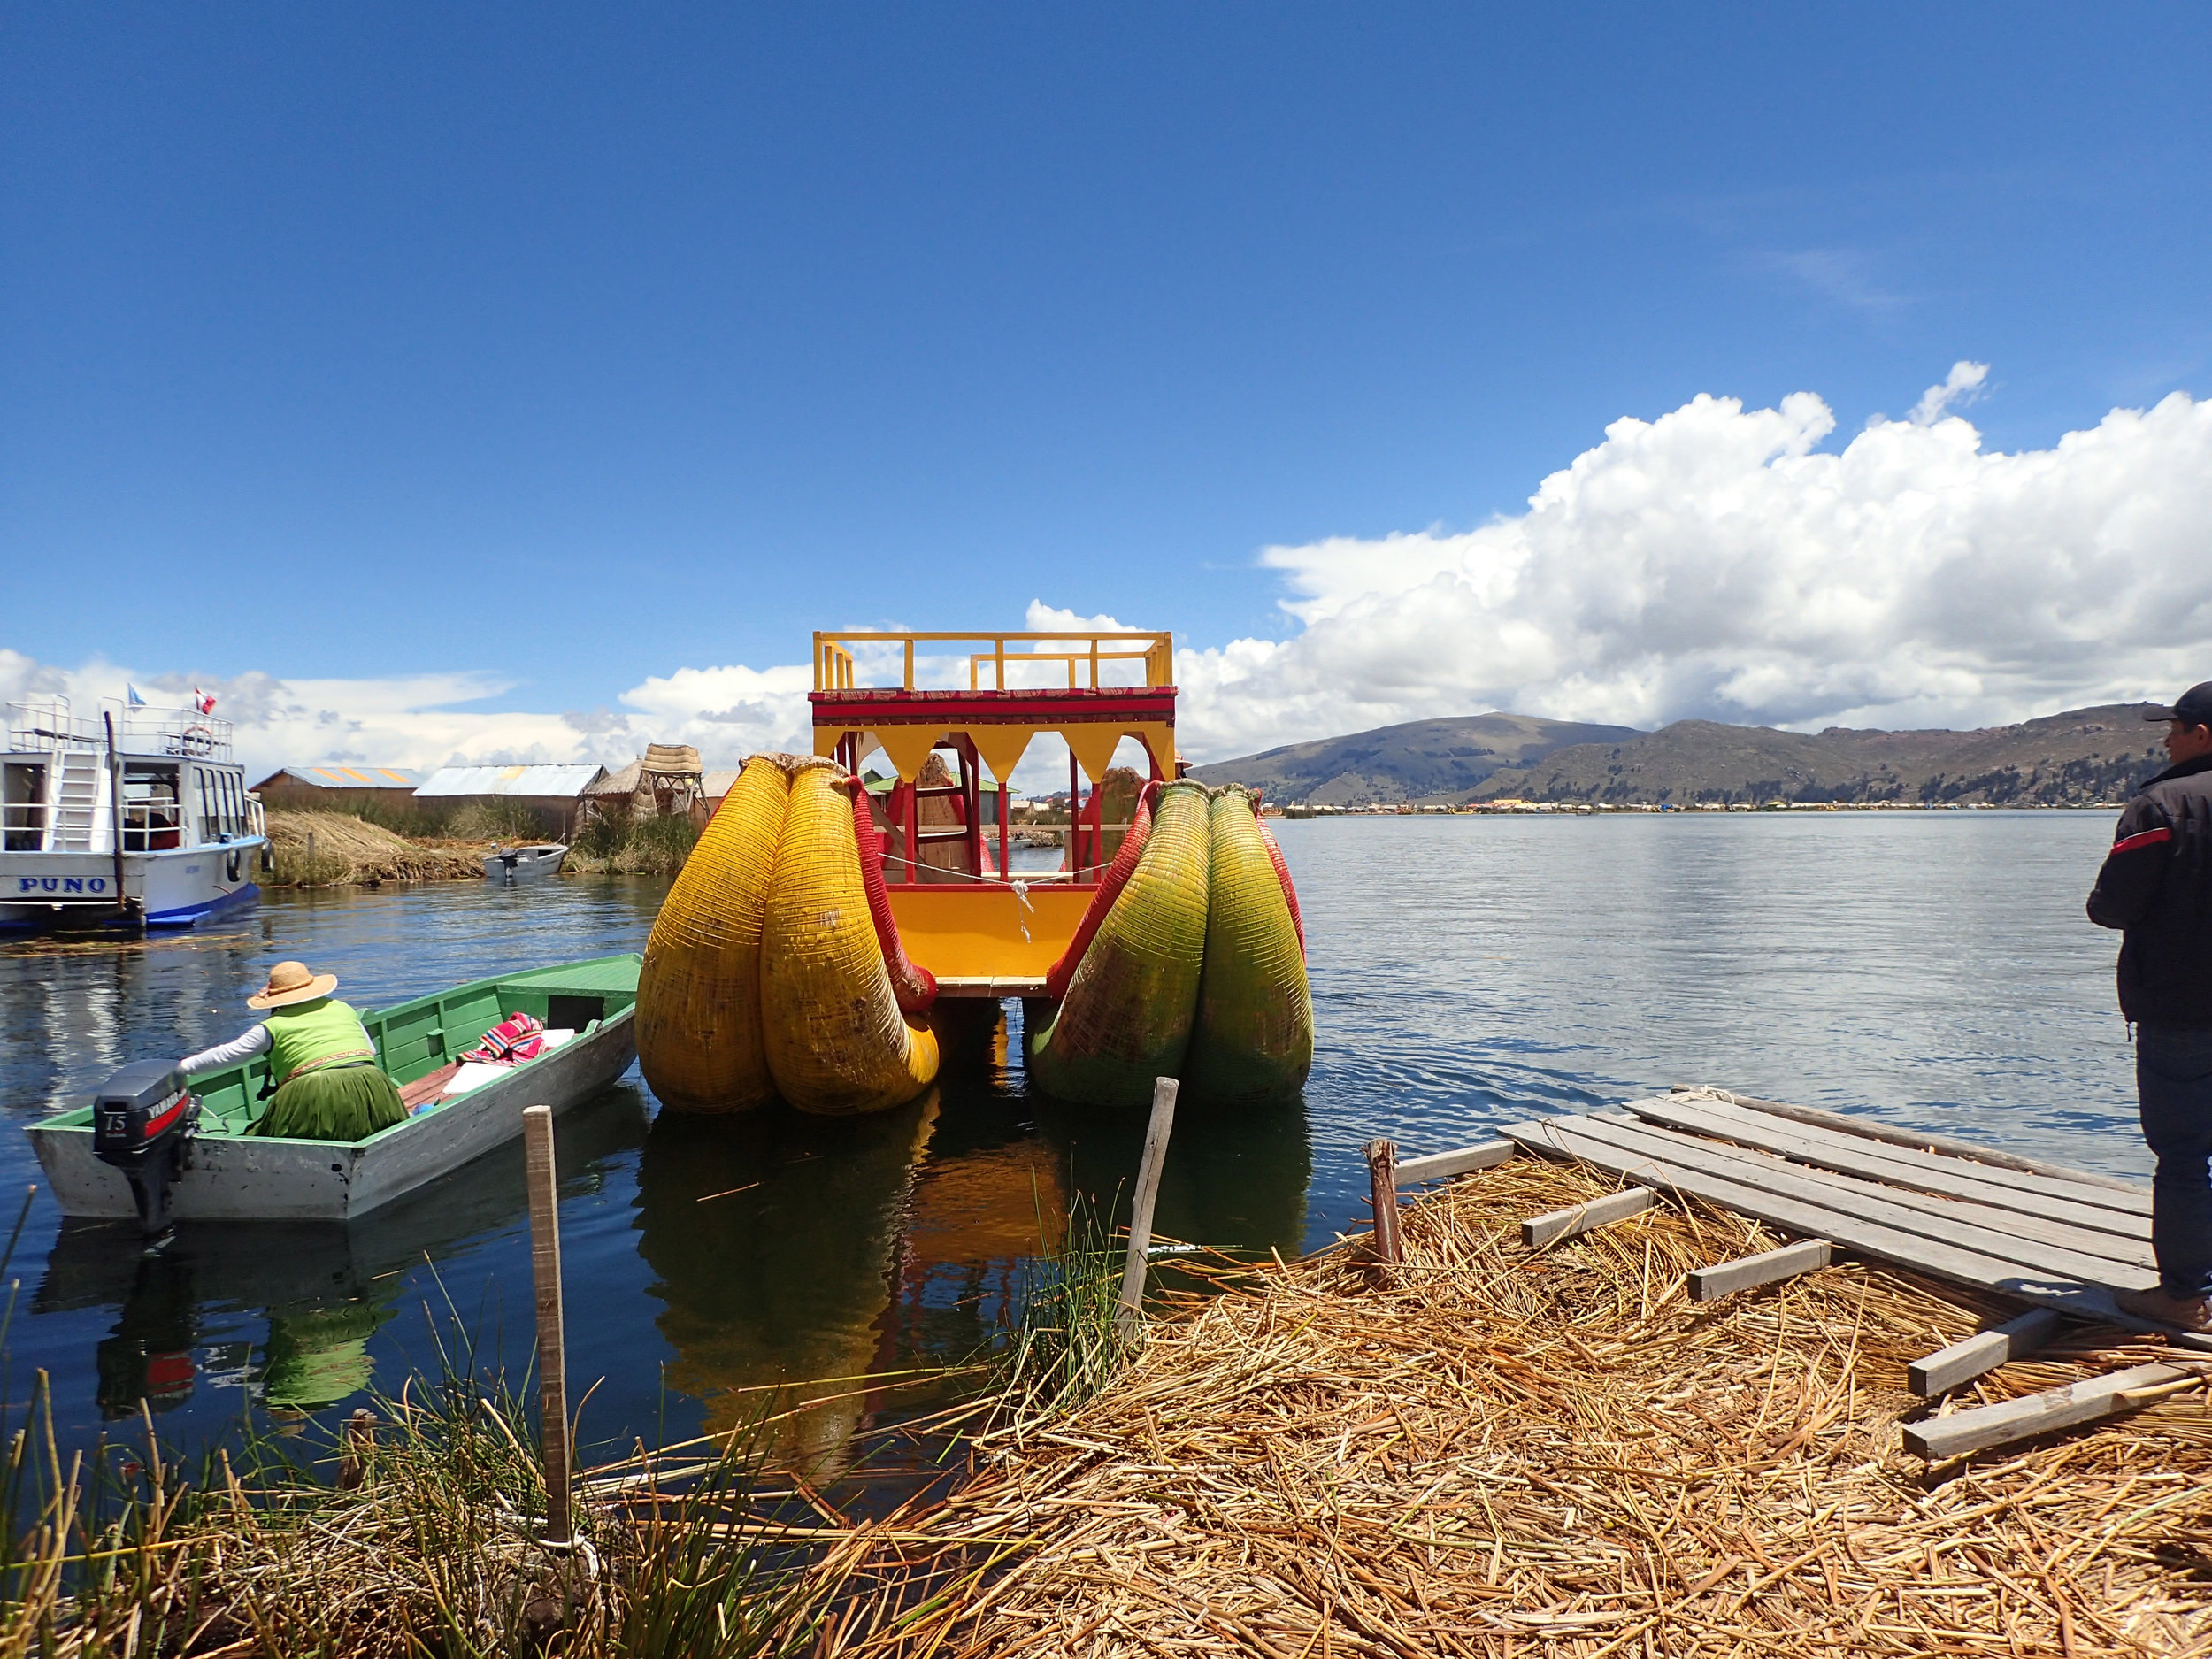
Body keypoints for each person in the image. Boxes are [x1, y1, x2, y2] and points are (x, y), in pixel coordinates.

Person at [2086, 682, 2212, 1331]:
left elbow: (2110, 907)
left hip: (2183, 1010)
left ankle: (2186, 1295)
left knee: (2186, 1152)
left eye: (2177, 726)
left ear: (2203, 736)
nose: (2167, 738)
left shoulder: (2161, 804)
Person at [178, 960, 405, 1141]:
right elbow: (370, 1052)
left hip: (312, 1091)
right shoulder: (342, 1008)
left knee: (269, 1136)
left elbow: (228, 1054)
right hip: (372, 1084)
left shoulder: (272, 1026)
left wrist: (183, 1067)